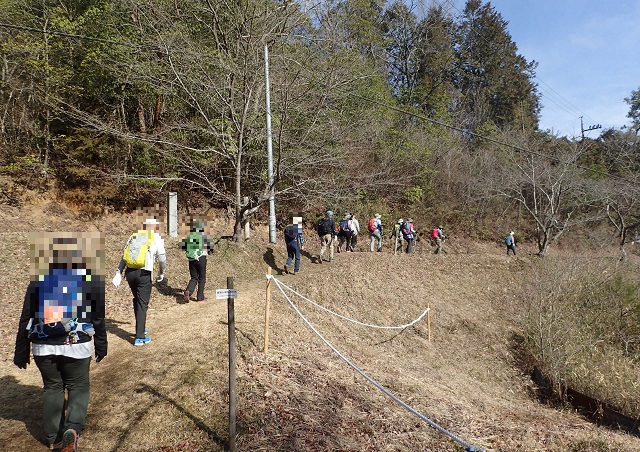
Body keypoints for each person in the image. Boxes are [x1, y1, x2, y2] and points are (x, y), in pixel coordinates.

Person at [14, 233, 107, 452]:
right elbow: (98, 317)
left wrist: (21, 349)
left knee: (52, 387)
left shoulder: (39, 279)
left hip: (43, 345)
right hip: (77, 343)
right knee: (78, 385)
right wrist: (101, 344)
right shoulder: (90, 279)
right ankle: (72, 429)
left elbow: (25, 316)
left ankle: (53, 438)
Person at [112, 218, 166, 346]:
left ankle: (141, 328)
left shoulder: (134, 236)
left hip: (130, 273)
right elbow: (162, 258)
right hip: (144, 273)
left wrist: (118, 271)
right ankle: (140, 337)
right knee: (142, 303)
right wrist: (161, 272)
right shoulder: (156, 238)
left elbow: (124, 256)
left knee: (137, 299)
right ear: (155, 227)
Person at [179, 219, 214, 302]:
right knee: (202, 278)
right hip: (201, 258)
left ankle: (188, 291)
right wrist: (210, 251)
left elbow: (182, 247)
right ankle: (200, 297)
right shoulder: (203, 236)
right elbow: (211, 246)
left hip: (191, 260)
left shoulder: (189, 236)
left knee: (194, 277)